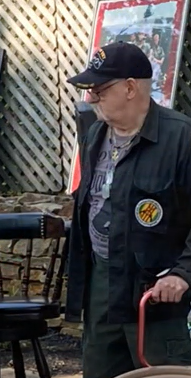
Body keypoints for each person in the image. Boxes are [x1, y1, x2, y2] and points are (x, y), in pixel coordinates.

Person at [65, 40, 191, 378]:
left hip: (156, 295)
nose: (90, 98)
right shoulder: (94, 135)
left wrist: (183, 273)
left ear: (131, 88)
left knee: (161, 375)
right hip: (102, 286)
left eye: (99, 89)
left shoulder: (182, 138)